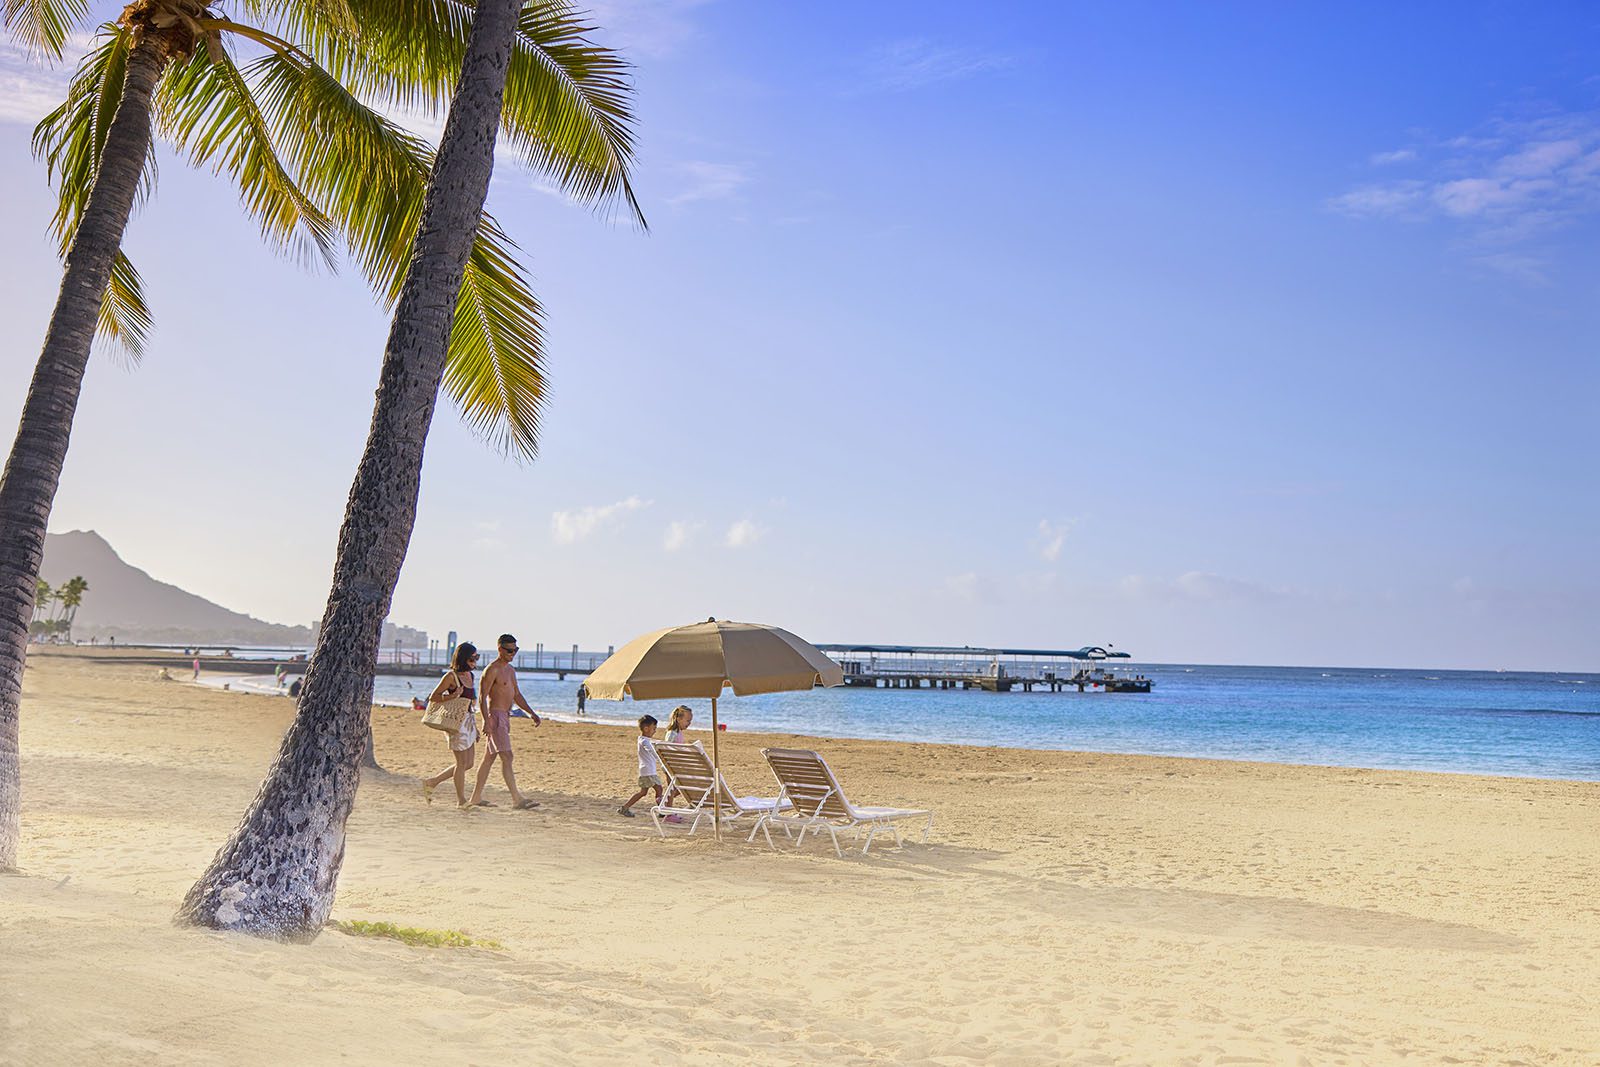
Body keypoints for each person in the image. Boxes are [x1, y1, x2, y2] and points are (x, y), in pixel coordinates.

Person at [468, 634, 541, 809]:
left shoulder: (510, 670)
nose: (512, 653)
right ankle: (517, 799)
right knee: (507, 756)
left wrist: (531, 713)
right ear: (500, 649)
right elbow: (482, 697)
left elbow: (516, 694)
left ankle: (475, 798)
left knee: (489, 758)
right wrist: (486, 720)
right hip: (496, 716)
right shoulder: (491, 670)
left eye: (515, 650)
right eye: (509, 650)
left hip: (505, 717)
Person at [422, 643, 481, 808]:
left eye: (477, 657)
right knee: (461, 763)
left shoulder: (470, 676)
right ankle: (461, 800)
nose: (475, 661)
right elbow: (434, 697)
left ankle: (432, 782)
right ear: (463, 658)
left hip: (468, 720)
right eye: (472, 658)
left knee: (469, 763)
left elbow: (469, 704)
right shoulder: (450, 677)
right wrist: (452, 696)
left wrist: (475, 727)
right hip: (455, 723)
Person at [617, 715, 662, 818]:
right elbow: (651, 750)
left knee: (644, 792)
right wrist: (660, 759)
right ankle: (662, 811)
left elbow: (653, 745)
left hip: (646, 771)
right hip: (648, 772)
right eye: (654, 729)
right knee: (657, 790)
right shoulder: (644, 741)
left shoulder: (643, 739)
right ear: (646, 729)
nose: (655, 731)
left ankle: (625, 808)